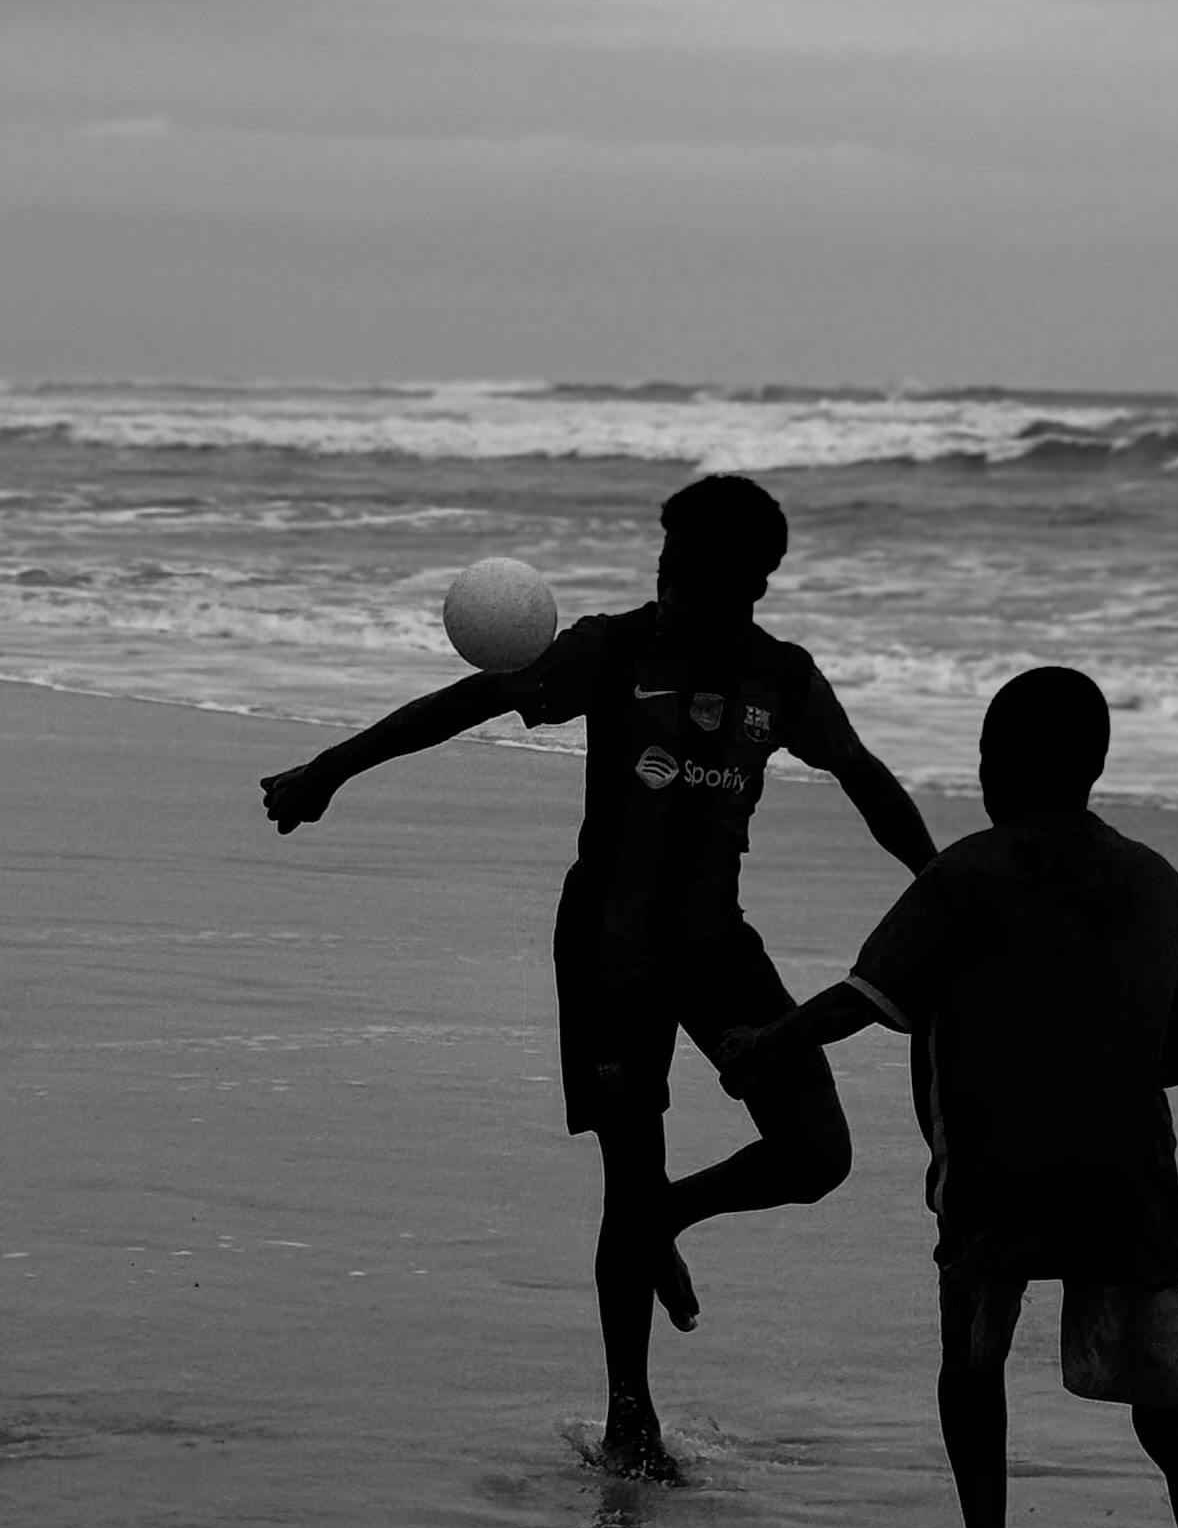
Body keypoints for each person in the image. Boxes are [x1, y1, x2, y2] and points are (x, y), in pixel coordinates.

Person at [261, 473, 935, 1475]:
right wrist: (330, 769)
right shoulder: (613, 652)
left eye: (691, 574)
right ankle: (630, 1411)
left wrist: (943, 889)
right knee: (630, 1167)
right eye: (662, 567)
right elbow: (466, 702)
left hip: (717, 948)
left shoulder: (783, 680)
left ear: (753, 582)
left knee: (817, 1154)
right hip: (609, 957)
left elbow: (868, 780)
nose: (667, 588)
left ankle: (664, 1215)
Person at [718, 663, 1178, 1528]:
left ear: (991, 769)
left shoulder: (966, 875)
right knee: (1175, 1422)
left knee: (973, 1365)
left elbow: (864, 998)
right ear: (1095, 768)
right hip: (1128, 1181)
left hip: (997, 1175)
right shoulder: (1162, 883)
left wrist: (770, 1042)